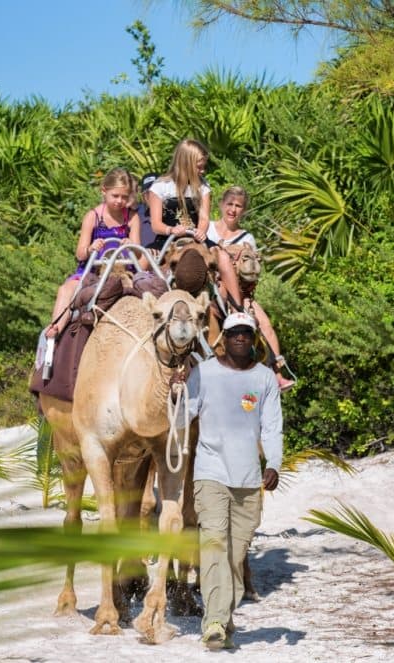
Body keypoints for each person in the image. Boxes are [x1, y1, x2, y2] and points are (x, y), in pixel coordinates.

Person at [172, 310, 282, 651]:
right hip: (211, 474)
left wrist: (274, 463)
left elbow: (272, 425)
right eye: (233, 332)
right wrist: (176, 395)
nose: (239, 338)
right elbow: (182, 418)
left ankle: (223, 615)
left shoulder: (264, 378)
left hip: (249, 479)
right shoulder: (204, 373)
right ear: (225, 337)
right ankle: (215, 623)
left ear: (253, 339)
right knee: (215, 544)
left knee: (236, 555)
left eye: (246, 334)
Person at [209, 186, 295, 392]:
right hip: (210, 288)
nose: (233, 210)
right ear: (221, 204)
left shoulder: (247, 238)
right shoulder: (207, 228)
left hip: (238, 292)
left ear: (244, 211)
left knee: (264, 322)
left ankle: (277, 373)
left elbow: (251, 275)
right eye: (229, 204)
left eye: (238, 206)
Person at [45, 168, 140, 338]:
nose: (119, 201)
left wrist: (130, 245)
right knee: (66, 289)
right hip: (91, 271)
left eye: (124, 197)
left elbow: (138, 253)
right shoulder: (93, 216)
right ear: (104, 191)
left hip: (123, 271)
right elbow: (80, 254)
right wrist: (91, 248)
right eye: (115, 196)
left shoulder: (132, 217)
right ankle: (55, 330)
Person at [146, 139, 242, 304]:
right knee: (144, 259)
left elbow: (204, 217)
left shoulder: (203, 187)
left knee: (224, 258)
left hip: (196, 238)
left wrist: (201, 230)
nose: (203, 170)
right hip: (167, 240)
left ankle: (236, 308)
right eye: (199, 166)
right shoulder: (160, 187)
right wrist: (171, 230)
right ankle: (142, 305)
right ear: (185, 163)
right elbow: (156, 224)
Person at [136, 172, 158, 248]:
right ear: (143, 196)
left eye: (155, 191)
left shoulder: (172, 212)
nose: (152, 196)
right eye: (147, 192)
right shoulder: (136, 215)